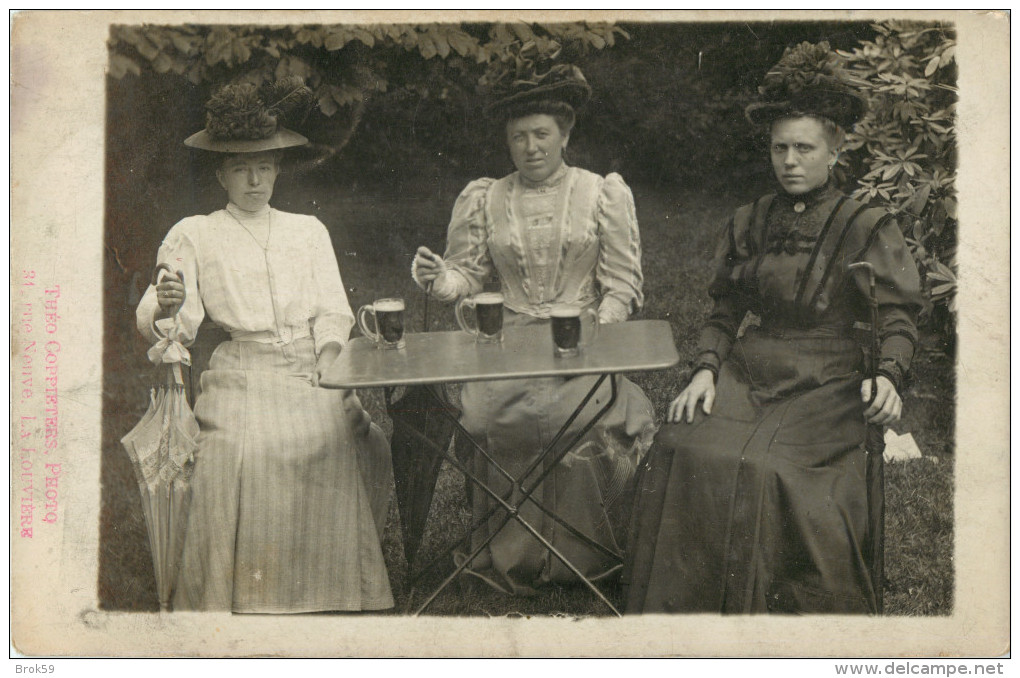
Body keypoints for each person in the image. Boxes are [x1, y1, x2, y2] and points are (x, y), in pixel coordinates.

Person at [623, 42, 923, 614]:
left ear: (835, 150)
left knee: (766, 467)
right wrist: (705, 371)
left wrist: (889, 376)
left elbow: (898, 317)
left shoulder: (865, 224)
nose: (789, 160)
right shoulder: (752, 220)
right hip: (752, 369)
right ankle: (684, 609)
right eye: (779, 147)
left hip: (829, 379)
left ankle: (769, 613)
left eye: (804, 148)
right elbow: (723, 312)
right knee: (678, 444)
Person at [136, 79, 394, 613]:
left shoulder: (308, 230)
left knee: (327, 437)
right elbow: (172, 327)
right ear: (220, 174)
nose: (254, 180)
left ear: (278, 169)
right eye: (240, 168)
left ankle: (333, 591)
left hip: (308, 367)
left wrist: (328, 364)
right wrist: (166, 303)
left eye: (265, 167)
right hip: (242, 369)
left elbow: (332, 310)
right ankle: (247, 593)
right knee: (241, 452)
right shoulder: (196, 233)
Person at [412, 64, 656, 595]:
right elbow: (469, 274)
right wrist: (441, 281)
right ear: (507, 141)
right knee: (489, 418)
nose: (531, 147)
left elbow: (622, 287)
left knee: (581, 423)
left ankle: (581, 559)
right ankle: (513, 554)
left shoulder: (601, 193)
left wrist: (598, 332)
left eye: (542, 134)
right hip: (508, 344)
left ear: (565, 135)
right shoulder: (486, 197)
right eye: (518, 136)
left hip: (581, 343)